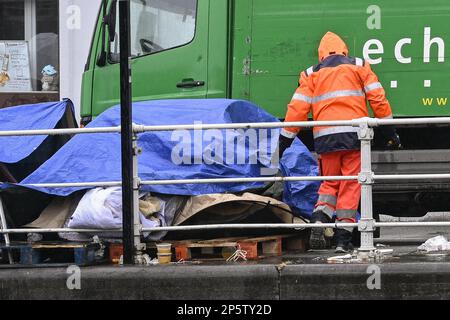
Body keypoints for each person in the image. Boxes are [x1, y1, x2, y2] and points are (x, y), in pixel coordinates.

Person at [278, 31, 401, 253]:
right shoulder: (359, 66)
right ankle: (343, 240)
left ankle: (319, 218)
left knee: (329, 183)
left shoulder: (310, 74)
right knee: (351, 185)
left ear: (321, 55)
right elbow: (378, 99)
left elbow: (297, 109)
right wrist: (390, 132)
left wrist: (284, 141)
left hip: (325, 139)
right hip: (354, 137)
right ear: (345, 50)